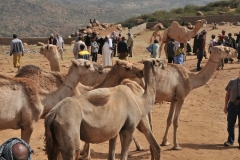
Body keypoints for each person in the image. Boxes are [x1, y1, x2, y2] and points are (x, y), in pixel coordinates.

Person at [223, 71, 240, 149]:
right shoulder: (232, 82)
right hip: (232, 105)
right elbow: (227, 94)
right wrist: (225, 106)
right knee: (230, 124)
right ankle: (230, 140)